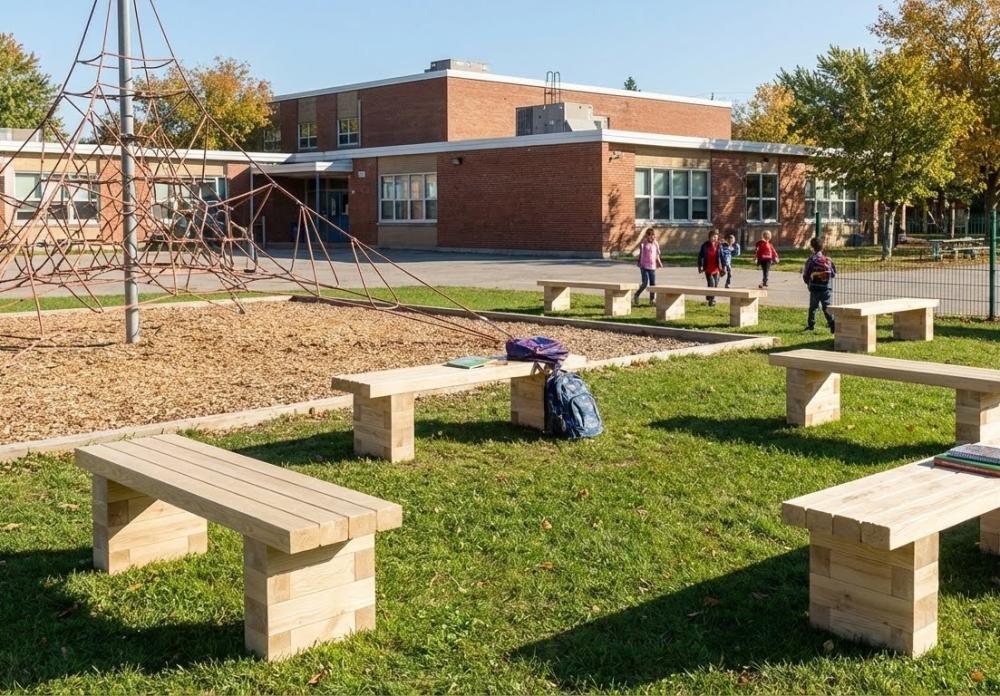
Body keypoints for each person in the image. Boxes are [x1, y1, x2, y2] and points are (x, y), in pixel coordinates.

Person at [802, 236, 837, 332]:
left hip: (814, 288)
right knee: (827, 307)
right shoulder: (828, 260)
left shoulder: (811, 260)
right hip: (826, 288)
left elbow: (806, 275)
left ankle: (811, 325)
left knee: (813, 307)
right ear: (823, 247)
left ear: (812, 247)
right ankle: (832, 323)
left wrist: (808, 283)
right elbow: (833, 274)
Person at [634, 228, 662, 305]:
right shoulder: (643, 243)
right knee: (645, 283)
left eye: (653, 235)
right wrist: (639, 262)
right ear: (647, 236)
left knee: (653, 284)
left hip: (652, 266)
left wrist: (659, 262)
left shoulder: (656, 243)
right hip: (644, 266)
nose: (652, 237)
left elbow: (657, 254)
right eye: (650, 235)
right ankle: (636, 295)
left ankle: (652, 300)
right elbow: (641, 254)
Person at [697, 229, 723, 306]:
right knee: (712, 284)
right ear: (709, 237)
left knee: (715, 285)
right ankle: (712, 301)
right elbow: (700, 256)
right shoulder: (705, 245)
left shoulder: (719, 245)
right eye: (713, 237)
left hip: (716, 268)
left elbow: (722, 256)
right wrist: (700, 266)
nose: (714, 238)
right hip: (708, 268)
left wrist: (724, 267)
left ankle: (709, 295)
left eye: (716, 237)